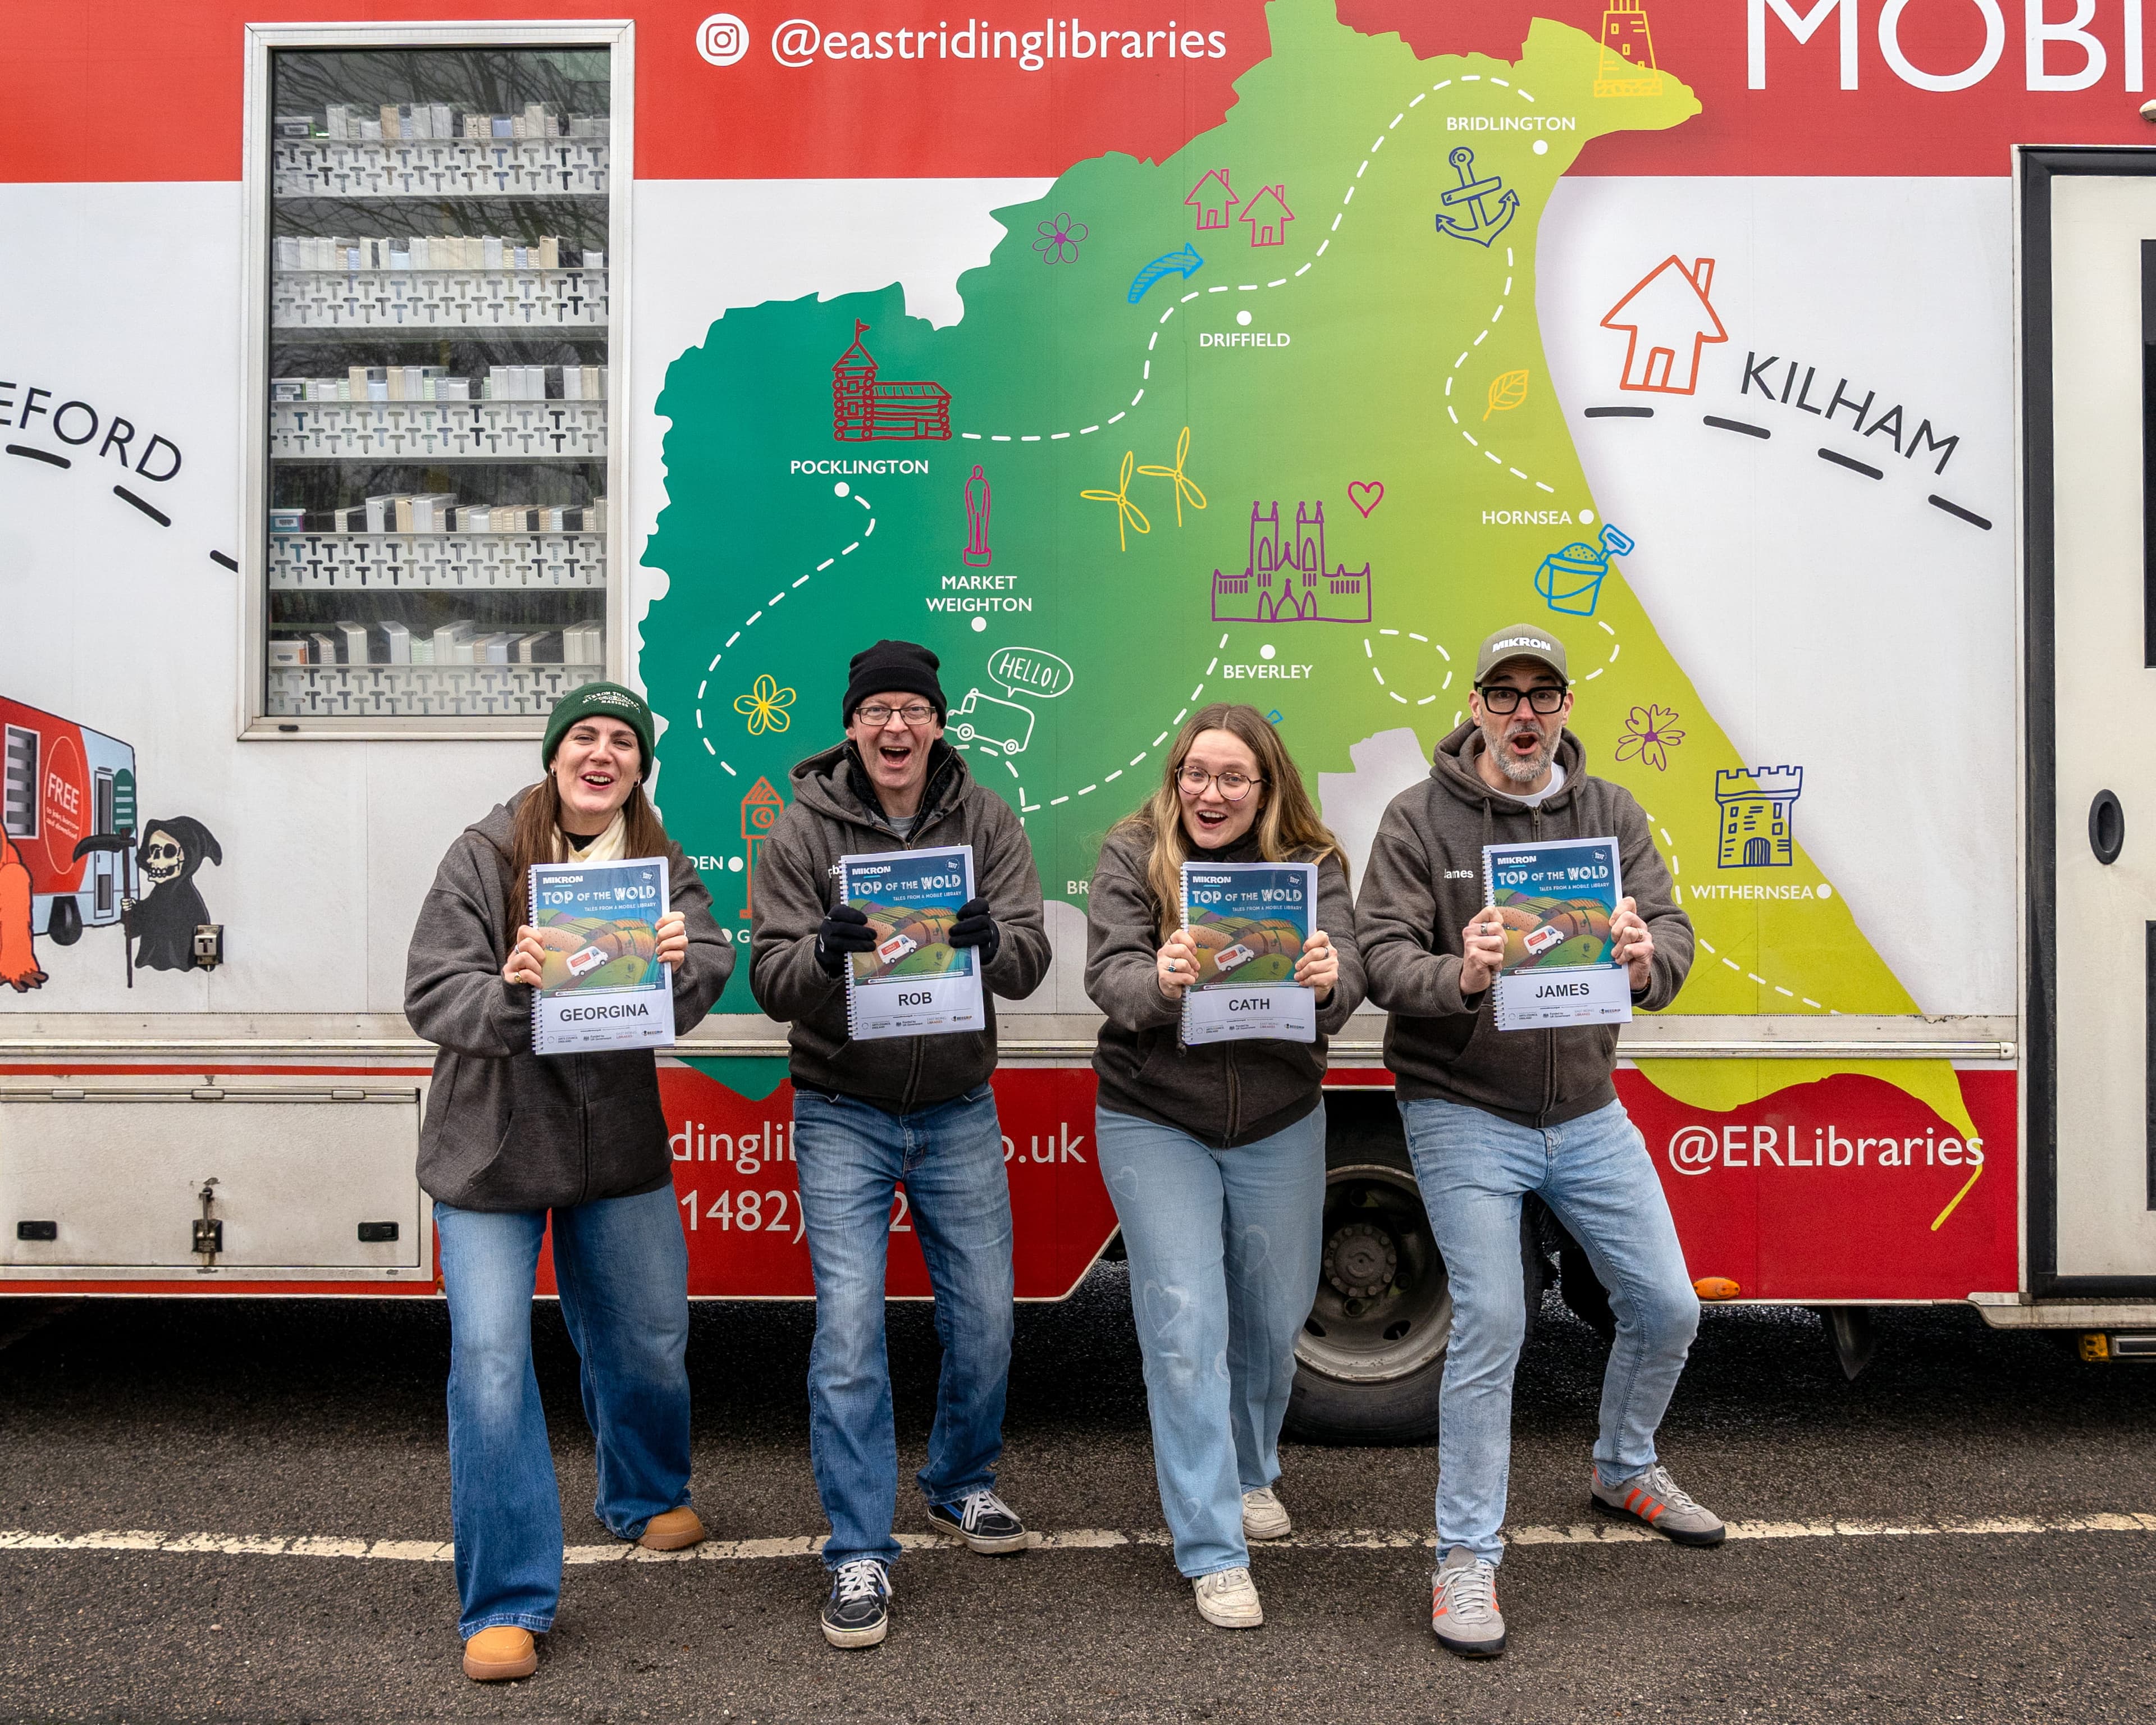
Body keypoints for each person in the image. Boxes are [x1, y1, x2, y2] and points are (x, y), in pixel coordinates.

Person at [1356, 624, 1709, 1661]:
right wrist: (1456, 974)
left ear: (1563, 708)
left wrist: (1647, 964)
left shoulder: (1611, 813)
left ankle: (1622, 1468)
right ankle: (1465, 1559)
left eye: (1541, 695)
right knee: (1495, 1323)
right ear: (1474, 706)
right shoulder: (1419, 819)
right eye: (1503, 695)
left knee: (1667, 1305)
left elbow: (1675, 933)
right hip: (1462, 1105)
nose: (1523, 713)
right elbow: (1380, 958)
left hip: (1587, 1109)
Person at [404, 682, 733, 1683]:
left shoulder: (657, 860)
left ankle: (640, 1494)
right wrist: (510, 990)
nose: (603, 754)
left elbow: (711, 958)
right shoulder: (486, 851)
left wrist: (684, 965)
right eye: (585, 737)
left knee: (648, 1334)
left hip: (615, 1142)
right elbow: (430, 990)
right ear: (556, 755)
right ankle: (506, 1601)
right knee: (494, 1365)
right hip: (495, 1145)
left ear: (640, 766)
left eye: (622, 742)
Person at [749, 640, 1050, 1649]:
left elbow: (1032, 956)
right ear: (851, 726)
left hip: (959, 1105)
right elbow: (769, 978)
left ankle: (959, 1483)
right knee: (847, 1335)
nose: (893, 728)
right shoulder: (799, 831)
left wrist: (996, 941)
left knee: (988, 1320)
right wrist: (822, 958)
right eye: (876, 710)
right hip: (841, 1107)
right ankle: (858, 1552)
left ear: (937, 723)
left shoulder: (986, 818)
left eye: (911, 711)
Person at [1084, 703, 1363, 1630]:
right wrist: (1160, 983)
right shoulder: (1134, 853)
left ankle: (1249, 1472)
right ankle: (1212, 1548)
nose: (1211, 793)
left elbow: (1351, 974)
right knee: (1185, 1323)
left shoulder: (1315, 864)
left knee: (1273, 1316)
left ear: (1267, 786)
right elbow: (1110, 980)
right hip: (1156, 1115)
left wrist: (1331, 981)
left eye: (1233, 777)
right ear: (1176, 780)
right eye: (1195, 774)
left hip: (1281, 1116)